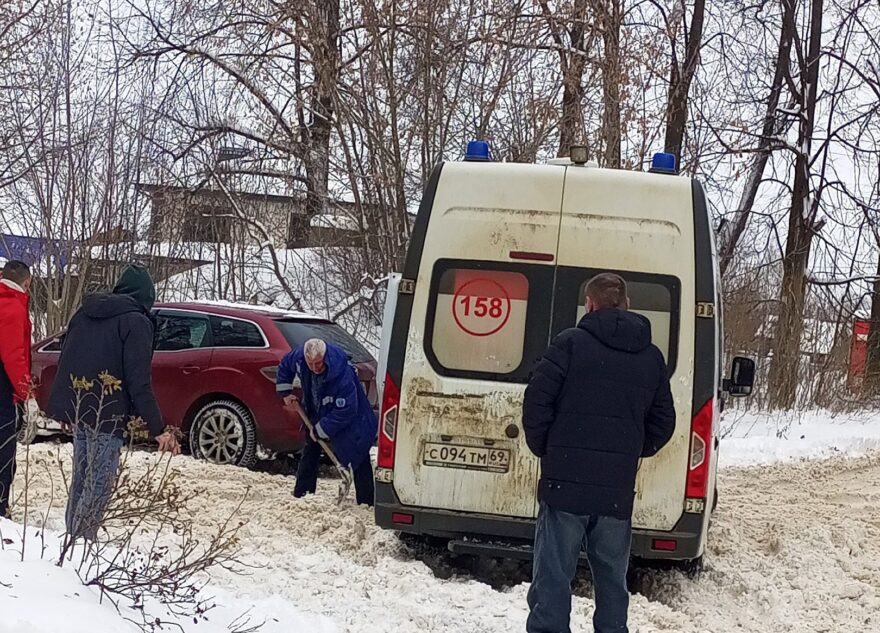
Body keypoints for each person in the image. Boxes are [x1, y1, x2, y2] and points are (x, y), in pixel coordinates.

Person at [522, 272, 676, 633]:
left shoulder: (569, 345)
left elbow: (536, 403)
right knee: (611, 580)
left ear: (589, 305)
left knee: (554, 577)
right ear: (628, 305)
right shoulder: (651, 357)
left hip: (565, 485)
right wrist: (632, 452)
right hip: (616, 492)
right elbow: (664, 422)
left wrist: (546, 449)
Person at [49, 264, 180, 540]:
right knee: (100, 481)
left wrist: (65, 407)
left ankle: (72, 538)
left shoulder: (84, 313)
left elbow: (67, 359)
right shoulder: (137, 322)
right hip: (108, 413)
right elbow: (139, 380)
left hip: (81, 407)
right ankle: (81, 541)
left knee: (82, 477)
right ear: (146, 296)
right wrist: (158, 429)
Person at [276, 338, 375, 506]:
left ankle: (367, 503)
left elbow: (346, 410)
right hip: (316, 409)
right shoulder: (299, 356)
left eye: (318, 363)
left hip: (352, 417)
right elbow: (285, 366)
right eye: (310, 364)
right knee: (310, 450)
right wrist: (285, 393)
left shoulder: (342, 373)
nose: (314, 368)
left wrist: (321, 429)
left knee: (358, 454)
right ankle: (303, 496)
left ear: (325, 356)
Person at [0, 261, 33, 517]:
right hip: (3, 389)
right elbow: (14, 356)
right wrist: (26, 393)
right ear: (27, 281)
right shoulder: (12, 306)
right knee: (4, 450)